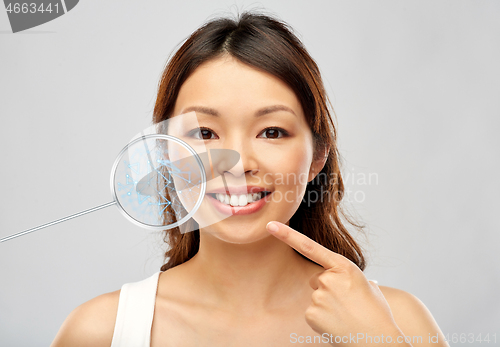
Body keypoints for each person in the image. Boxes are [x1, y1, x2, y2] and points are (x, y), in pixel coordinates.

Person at [51, 11, 449, 347]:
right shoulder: (98, 332)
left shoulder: (400, 324)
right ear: (164, 154)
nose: (237, 164)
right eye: (205, 133)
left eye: (272, 132)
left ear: (318, 156)